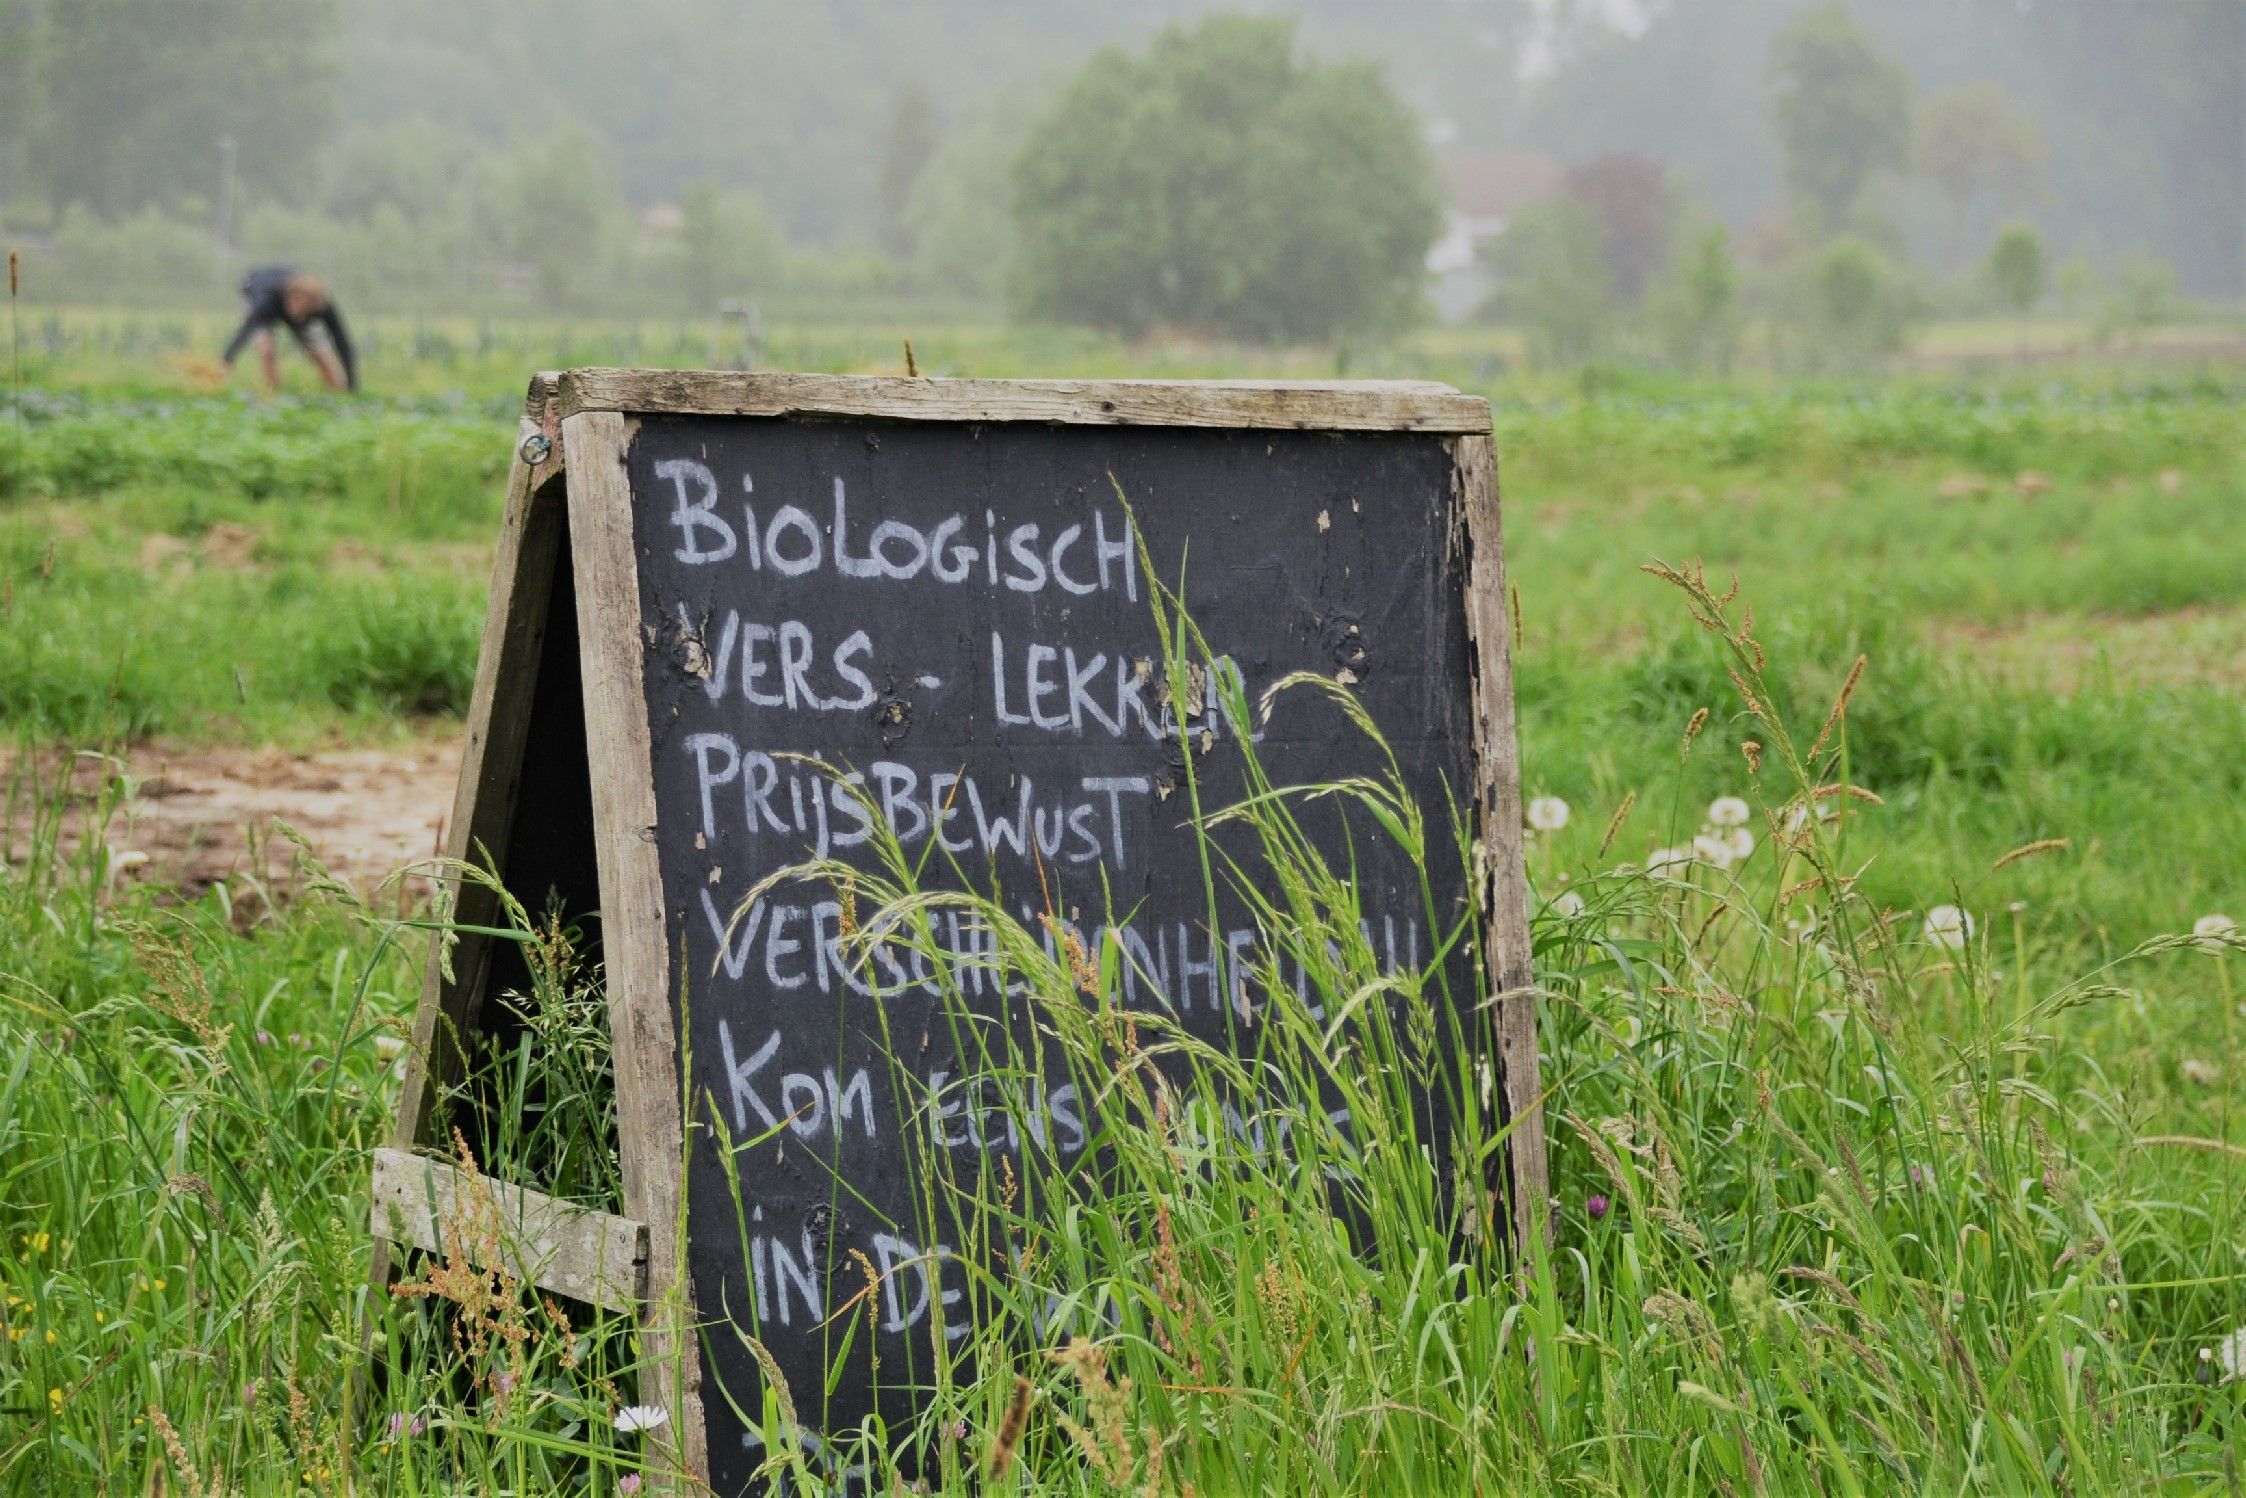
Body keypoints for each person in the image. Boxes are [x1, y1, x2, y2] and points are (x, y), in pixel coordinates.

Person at [221, 265, 358, 393]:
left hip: (296, 309)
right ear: (290, 298)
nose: (298, 311)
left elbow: (342, 341)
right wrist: (227, 360)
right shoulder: (267, 301)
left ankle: (339, 396)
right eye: (297, 305)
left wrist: (352, 384)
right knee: (267, 350)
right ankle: (272, 393)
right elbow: (247, 328)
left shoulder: (322, 306)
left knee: (321, 354)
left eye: (305, 309)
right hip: (254, 293)